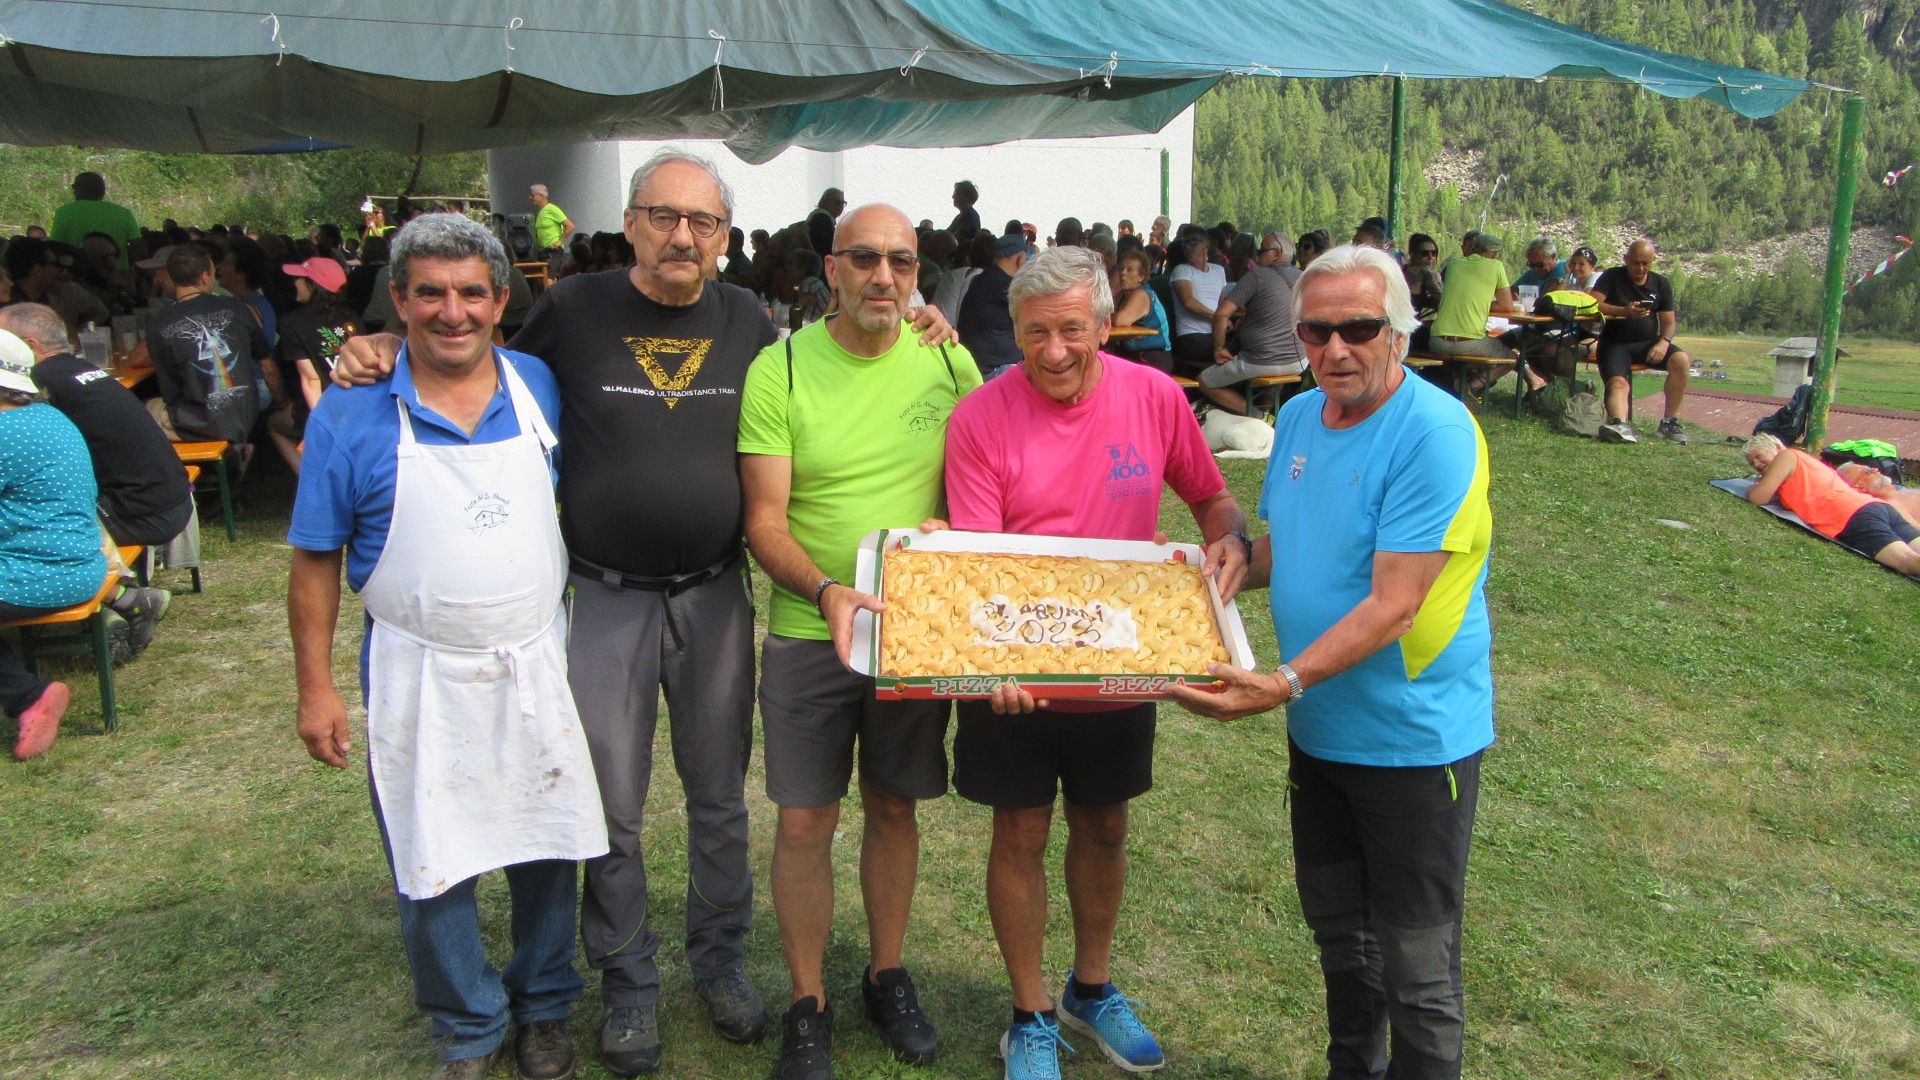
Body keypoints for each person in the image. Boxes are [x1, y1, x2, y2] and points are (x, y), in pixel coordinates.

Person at [334, 150, 961, 1077]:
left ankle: (720, 965)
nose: (682, 237)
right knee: (610, 807)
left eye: (703, 223)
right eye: (663, 217)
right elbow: (470, 357)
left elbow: (842, 358)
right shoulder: (573, 309)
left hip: (714, 593)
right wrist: (384, 343)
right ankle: (627, 984)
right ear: (629, 224)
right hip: (604, 597)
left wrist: (921, 317)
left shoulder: (750, 320)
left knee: (720, 801)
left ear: (723, 238)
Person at [289, 214, 606, 1080]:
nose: (451, 312)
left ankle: (544, 1005)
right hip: (415, 667)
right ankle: (466, 1024)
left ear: (503, 300)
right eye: (427, 293)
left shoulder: (538, 383)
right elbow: (314, 562)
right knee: (431, 856)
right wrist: (314, 689)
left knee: (547, 840)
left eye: (472, 292)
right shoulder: (353, 413)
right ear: (399, 301)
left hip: (535, 655)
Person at [1167, 243, 1494, 1080]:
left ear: (1399, 331)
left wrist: (1281, 682)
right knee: (1341, 941)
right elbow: (1297, 540)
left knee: (1418, 967)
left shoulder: (1435, 432)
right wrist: (1238, 553)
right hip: (1320, 734)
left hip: (1413, 744)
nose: (1335, 349)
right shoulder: (1306, 416)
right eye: (1317, 330)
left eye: (1359, 328)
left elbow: (1397, 602)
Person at [936, 246, 1248, 1080]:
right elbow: (980, 563)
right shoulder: (978, 418)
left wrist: (1230, 536)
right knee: (1022, 829)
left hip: (1122, 662)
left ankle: (1092, 986)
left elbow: (1209, 494)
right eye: (1035, 332)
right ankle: (1030, 1013)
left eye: (1072, 329)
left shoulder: (1154, 396)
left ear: (1106, 325)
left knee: (1106, 824)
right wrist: (989, 663)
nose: (1054, 350)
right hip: (1018, 672)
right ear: (1015, 331)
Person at [737, 204, 982, 1080]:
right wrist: (828, 589)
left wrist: (947, 527)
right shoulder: (783, 368)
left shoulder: (949, 360)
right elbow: (763, 521)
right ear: (831, 270)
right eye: (867, 259)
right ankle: (809, 1000)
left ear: (922, 274)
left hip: (910, 636)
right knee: (804, 820)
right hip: (810, 630)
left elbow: (983, 486)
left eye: (904, 262)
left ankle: (886, 973)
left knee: (894, 805)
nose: (886, 277)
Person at [1, 301, 183, 650]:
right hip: (167, 498)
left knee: (44, 519)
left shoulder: (38, 391)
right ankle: (117, 605)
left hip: (137, 512)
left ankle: (108, 607)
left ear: (29, 347)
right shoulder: (74, 373)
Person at [0, 328, 108, 761]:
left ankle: (28, 696)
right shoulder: (48, 417)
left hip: (40, 575)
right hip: (82, 561)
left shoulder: (5, 432)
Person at [143, 244, 268, 444]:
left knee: (144, 408)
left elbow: (170, 390)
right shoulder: (237, 306)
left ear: (173, 279)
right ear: (204, 277)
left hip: (200, 423)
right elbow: (266, 363)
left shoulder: (159, 322)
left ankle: (171, 472)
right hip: (246, 414)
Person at [1744, 434, 1920, 573]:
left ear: (1776, 447)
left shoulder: (1786, 456)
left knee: (1906, 562)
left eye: (1759, 456)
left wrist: (1756, 485)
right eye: (1752, 462)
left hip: (1851, 516)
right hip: (1875, 507)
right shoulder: (1806, 462)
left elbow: (1758, 497)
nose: (1757, 464)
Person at [1586, 241, 1691, 445]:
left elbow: (1669, 321)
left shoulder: (1660, 283)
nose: (1640, 268)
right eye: (1635, 263)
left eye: (1646, 263)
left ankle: (1669, 422)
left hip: (1647, 343)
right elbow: (1592, 303)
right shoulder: (1612, 276)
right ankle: (1620, 424)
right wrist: (1623, 311)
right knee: (1618, 383)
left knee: (1681, 360)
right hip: (1615, 343)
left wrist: (1664, 342)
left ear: (1652, 262)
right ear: (1626, 260)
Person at [1428, 232, 1542, 398]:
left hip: (1436, 341)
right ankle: (1470, 386)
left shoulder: (1453, 265)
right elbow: (1506, 305)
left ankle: (1459, 385)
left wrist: (1475, 302)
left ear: (1473, 249)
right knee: (1511, 359)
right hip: (1468, 342)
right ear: (1495, 253)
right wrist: (1482, 304)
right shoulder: (1495, 266)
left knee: (1482, 349)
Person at [1203, 232, 1306, 414]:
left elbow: (1221, 315)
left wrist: (1219, 349)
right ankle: (1267, 415)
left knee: (1205, 381)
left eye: (1261, 251)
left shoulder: (1257, 275)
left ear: (1276, 253)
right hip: (1299, 361)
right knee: (1274, 372)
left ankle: (1256, 416)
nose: (1256, 256)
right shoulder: (1303, 277)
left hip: (1260, 360)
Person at [275, 256, 361, 460]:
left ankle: (304, 481)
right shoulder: (354, 320)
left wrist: (324, 425)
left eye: (299, 278)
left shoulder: (291, 323)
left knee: (274, 424)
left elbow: (311, 379)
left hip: (322, 407)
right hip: (357, 409)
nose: (294, 282)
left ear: (313, 285)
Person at [957, 233, 1033, 378]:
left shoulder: (986, 279)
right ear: (1019, 259)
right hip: (994, 372)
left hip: (981, 368)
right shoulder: (1005, 286)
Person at [1168, 232, 1229, 381]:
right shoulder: (1182, 270)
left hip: (1216, 334)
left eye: (1192, 242)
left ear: (1206, 245)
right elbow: (1188, 302)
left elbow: (1223, 303)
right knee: (1234, 353)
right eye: (1184, 244)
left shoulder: (1218, 270)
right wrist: (1219, 319)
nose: (1187, 247)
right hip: (1191, 337)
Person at [50, 172, 141, 268]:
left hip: (78, 278)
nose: (73, 191)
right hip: (115, 277)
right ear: (102, 191)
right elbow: (140, 250)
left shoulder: (64, 212)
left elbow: (55, 248)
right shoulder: (124, 213)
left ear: (81, 189)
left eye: (74, 186)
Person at [1108, 247, 1171, 372]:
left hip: (1151, 358)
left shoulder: (1142, 294)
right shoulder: (1122, 295)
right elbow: (1102, 313)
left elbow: (1120, 320)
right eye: (1121, 268)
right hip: (1131, 355)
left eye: (1130, 270)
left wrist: (1110, 317)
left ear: (1141, 277)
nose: (1123, 273)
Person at [1838, 460, 1920, 527]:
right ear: (1860, 488)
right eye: (1868, 471)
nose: (1875, 469)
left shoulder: (1898, 492)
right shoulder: (1893, 507)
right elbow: (1914, 534)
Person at [530, 184, 575, 263]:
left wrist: (560, 241)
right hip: (542, 251)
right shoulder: (541, 212)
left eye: (532, 195)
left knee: (550, 274)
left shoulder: (552, 209)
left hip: (553, 251)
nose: (530, 197)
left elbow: (570, 226)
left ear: (541, 196)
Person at [807, 187, 846, 256]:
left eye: (843, 203)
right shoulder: (821, 220)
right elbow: (827, 248)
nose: (840, 206)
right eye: (837, 202)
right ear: (825, 202)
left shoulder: (818, 217)